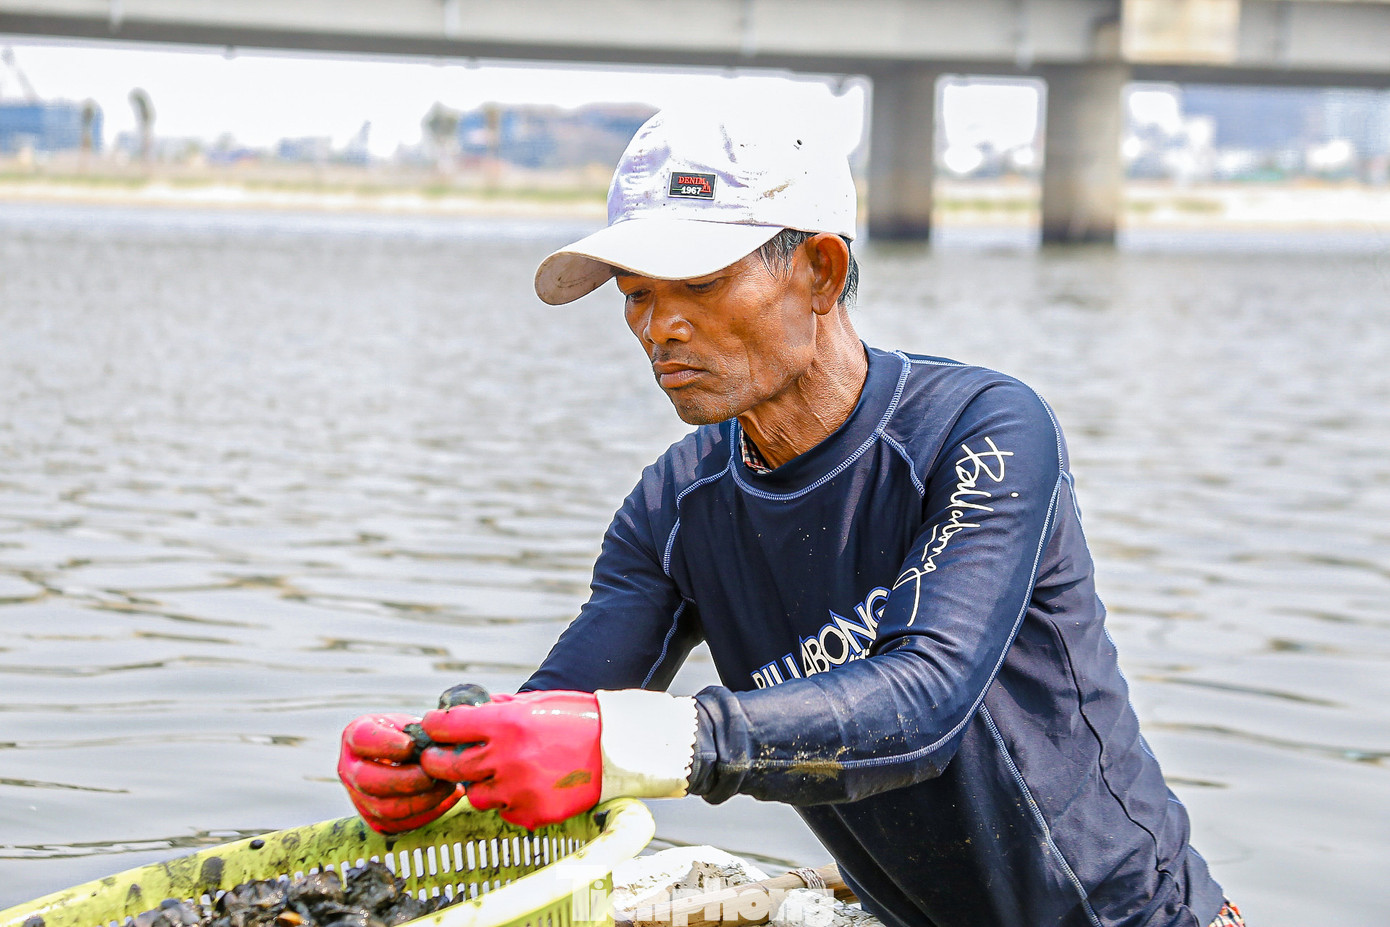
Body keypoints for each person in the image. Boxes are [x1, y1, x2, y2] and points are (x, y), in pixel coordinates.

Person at [338, 99, 1242, 927]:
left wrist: (646, 740)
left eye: (697, 283)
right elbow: (566, 711)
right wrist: (443, 763)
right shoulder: (673, 507)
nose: (659, 327)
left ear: (820, 270)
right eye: (637, 292)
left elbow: (925, 704)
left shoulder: (983, 430)